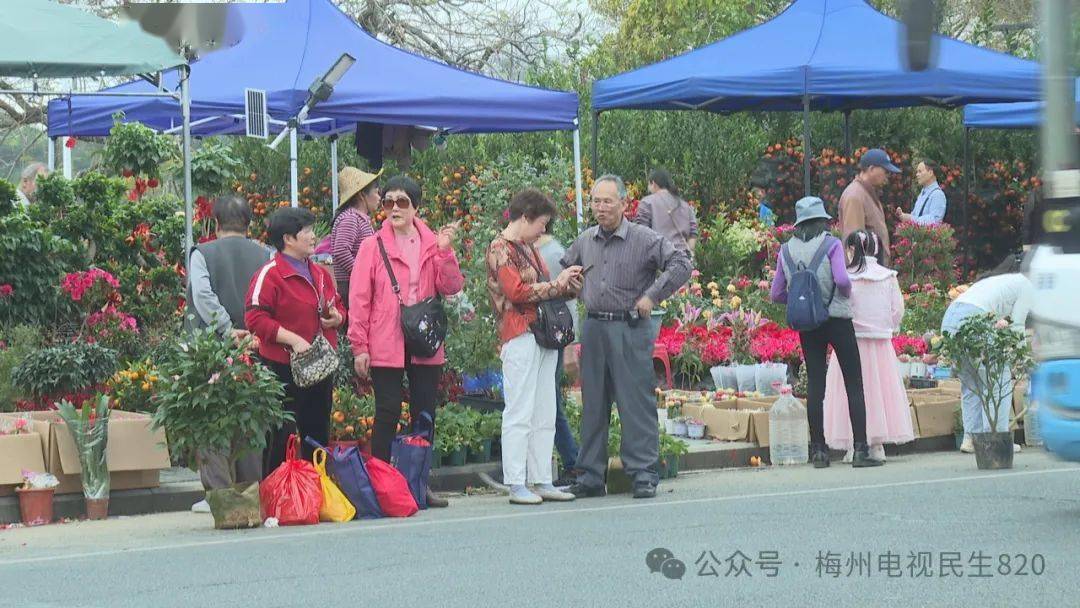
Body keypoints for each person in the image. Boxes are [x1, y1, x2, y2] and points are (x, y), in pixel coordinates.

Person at [562, 174, 692, 500]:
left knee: (635, 404)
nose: (601, 207)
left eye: (608, 201)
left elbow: (681, 263)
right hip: (593, 328)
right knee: (593, 404)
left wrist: (652, 296)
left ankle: (644, 473)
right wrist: (571, 283)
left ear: (624, 203)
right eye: (596, 201)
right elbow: (565, 274)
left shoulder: (644, 239)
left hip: (630, 328)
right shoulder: (585, 240)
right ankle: (591, 475)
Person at [348, 175, 463, 509]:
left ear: (416, 206)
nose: (394, 208)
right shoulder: (373, 245)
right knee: (386, 412)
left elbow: (452, 286)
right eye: (388, 202)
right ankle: (382, 487)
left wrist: (444, 253)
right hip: (385, 338)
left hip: (424, 338)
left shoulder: (432, 243)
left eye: (402, 202)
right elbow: (359, 298)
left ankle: (418, 484)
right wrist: (359, 346)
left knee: (424, 414)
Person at [486, 189, 582, 505]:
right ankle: (516, 482)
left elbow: (540, 289)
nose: (544, 230)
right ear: (525, 217)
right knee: (519, 410)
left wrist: (567, 287)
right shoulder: (499, 248)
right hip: (518, 335)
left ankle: (541, 478)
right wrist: (558, 283)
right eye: (541, 223)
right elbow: (516, 291)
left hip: (541, 334)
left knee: (544, 409)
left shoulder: (528, 247)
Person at [770, 196, 882, 468]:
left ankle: (819, 451)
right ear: (823, 220)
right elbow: (843, 280)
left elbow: (776, 293)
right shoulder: (831, 245)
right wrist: (844, 294)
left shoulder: (785, 250)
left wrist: (804, 300)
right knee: (853, 383)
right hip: (838, 320)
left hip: (809, 325)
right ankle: (860, 450)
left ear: (799, 224)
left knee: (815, 386)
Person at [186, 195, 273, 512]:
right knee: (251, 416)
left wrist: (225, 328)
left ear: (215, 223)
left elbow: (203, 296)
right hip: (257, 346)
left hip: (213, 349)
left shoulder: (202, 253)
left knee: (212, 417)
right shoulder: (266, 254)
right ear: (249, 224)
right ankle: (250, 489)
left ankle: (218, 493)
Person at [245, 208, 345, 475]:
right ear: (288, 238)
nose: (314, 236)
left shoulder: (321, 273)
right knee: (281, 435)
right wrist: (292, 340)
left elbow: (337, 306)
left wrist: (337, 317)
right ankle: (276, 496)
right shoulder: (270, 274)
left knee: (318, 432)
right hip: (281, 366)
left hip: (319, 366)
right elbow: (254, 318)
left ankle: (317, 493)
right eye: (308, 231)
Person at [823, 230, 914, 463]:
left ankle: (855, 444)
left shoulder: (847, 276)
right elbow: (897, 311)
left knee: (848, 392)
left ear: (852, 250)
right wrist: (887, 328)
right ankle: (877, 445)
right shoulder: (888, 276)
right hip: (881, 344)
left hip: (850, 340)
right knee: (880, 392)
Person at [941, 255, 1033, 454]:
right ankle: (995, 438)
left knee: (972, 384)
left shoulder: (995, 281)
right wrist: (1023, 359)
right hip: (973, 320)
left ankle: (970, 439)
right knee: (999, 379)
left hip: (950, 319)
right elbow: (1017, 325)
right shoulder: (1026, 284)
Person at [536, 231, 583, 487]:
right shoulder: (526, 247)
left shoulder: (552, 253)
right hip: (540, 337)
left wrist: (569, 347)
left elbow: (569, 301)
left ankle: (572, 462)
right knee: (544, 403)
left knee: (549, 402)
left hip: (553, 338)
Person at [839, 148, 900, 265]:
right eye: (885, 171)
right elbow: (854, 246)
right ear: (871, 169)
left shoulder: (867, 193)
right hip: (865, 277)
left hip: (874, 275)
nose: (887, 176)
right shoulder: (855, 196)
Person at [330, 166, 382, 301]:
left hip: (357, 284)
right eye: (376, 192)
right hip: (351, 286)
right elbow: (340, 251)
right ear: (362, 195)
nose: (379, 198)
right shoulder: (350, 218)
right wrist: (362, 274)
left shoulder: (360, 218)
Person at [634, 168, 698, 253]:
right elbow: (693, 235)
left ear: (653, 183)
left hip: (660, 258)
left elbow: (642, 234)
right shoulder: (685, 206)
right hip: (683, 259)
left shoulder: (647, 202)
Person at [898, 159, 947, 225]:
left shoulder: (937, 195)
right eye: (917, 172)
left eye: (920, 172)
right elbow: (915, 216)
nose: (917, 175)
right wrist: (904, 216)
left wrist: (910, 218)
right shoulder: (922, 193)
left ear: (930, 173)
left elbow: (935, 220)